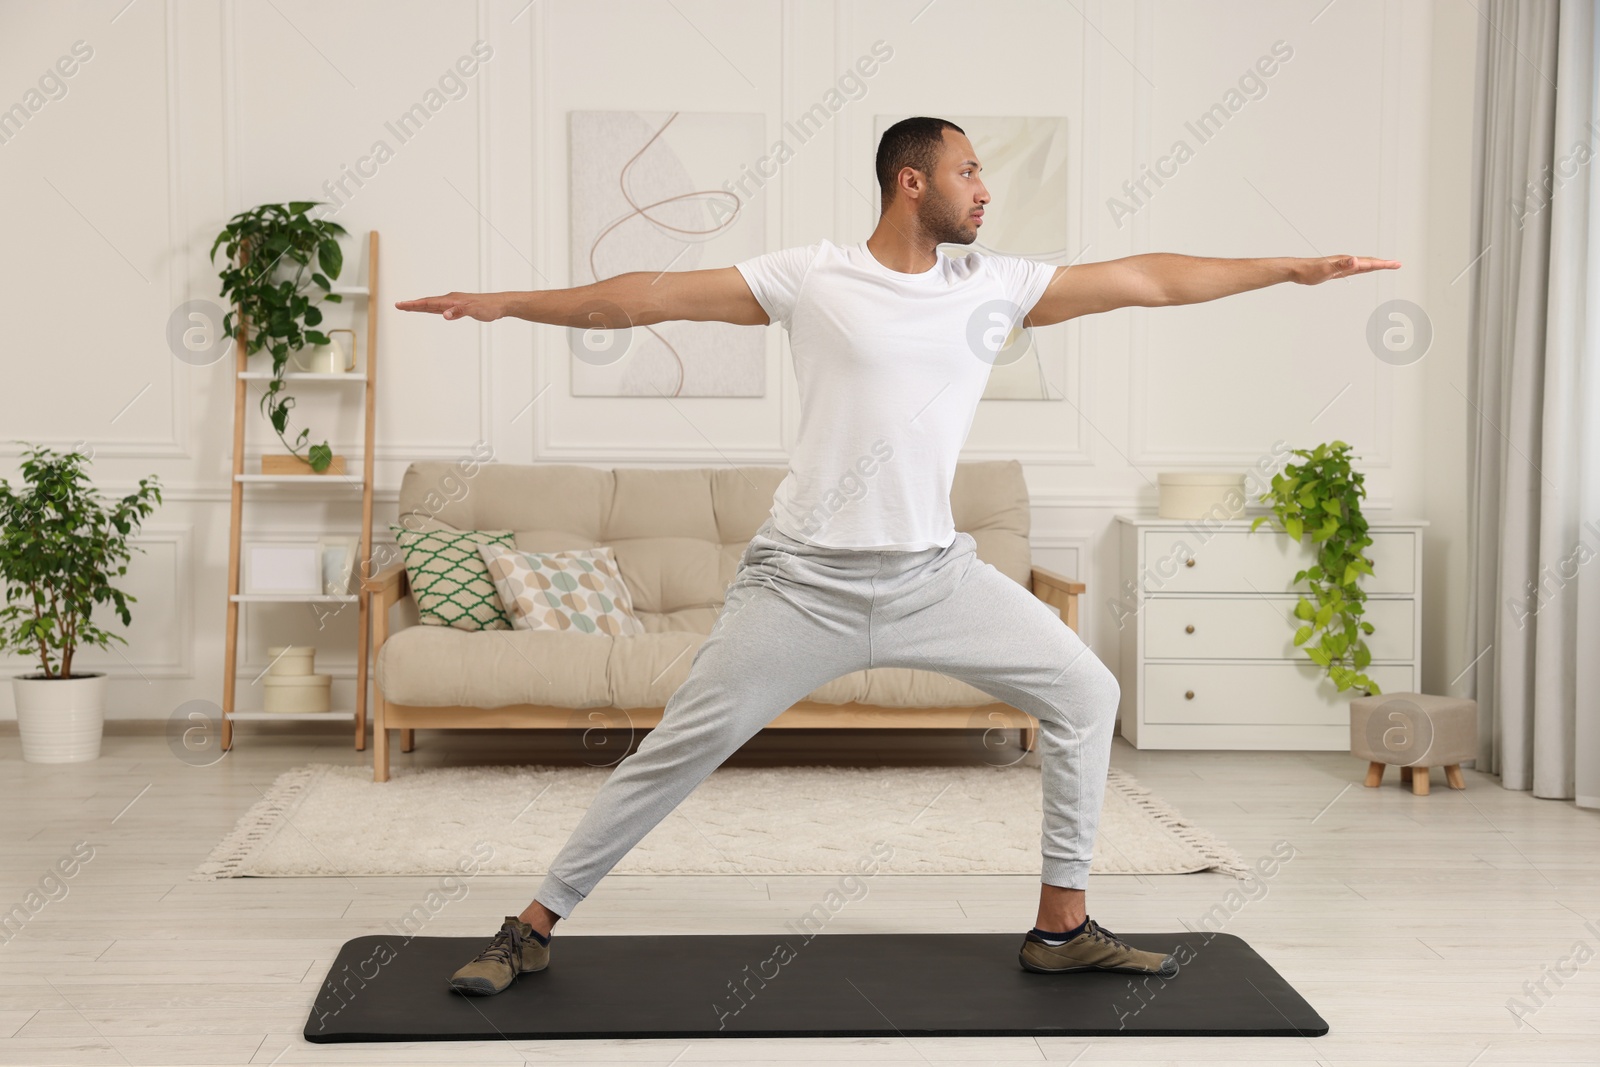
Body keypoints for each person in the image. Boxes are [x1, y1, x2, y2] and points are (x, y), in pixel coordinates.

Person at [396, 116, 1400, 996]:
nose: (986, 190)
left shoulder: (994, 284)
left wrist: (1288, 268)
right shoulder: (813, 277)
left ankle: (1060, 926)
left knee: (1086, 693)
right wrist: (506, 301)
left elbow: (1146, 278)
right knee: (674, 753)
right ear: (910, 180)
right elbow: (646, 296)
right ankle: (530, 927)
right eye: (969, 171)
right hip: (801, 583)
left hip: (934, 578)